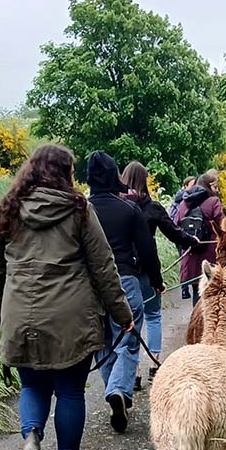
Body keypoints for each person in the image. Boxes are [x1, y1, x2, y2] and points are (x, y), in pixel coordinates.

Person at [0, 144, 133, 450]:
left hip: (20, 312)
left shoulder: (8, 210)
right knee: (69, 391)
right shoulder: (78, 209)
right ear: (66, 173)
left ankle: (31, 437)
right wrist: (122, 313)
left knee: (32, 385)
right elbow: (103, 266)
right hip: (70, 315)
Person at [86, 151, 163, 432]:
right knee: (128, 342)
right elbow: (147, 250)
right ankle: (118, 389)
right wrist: (156, 280)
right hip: (126, 281)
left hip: (90, 287)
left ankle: (114, 392)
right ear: (113, 178)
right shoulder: (129, 210)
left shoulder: (81, 210)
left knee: (103, 343)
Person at [120, 161, 199, 387]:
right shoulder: (152, 208)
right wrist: (192, 241)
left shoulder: (118, 206)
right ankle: (155, 362)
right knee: (153, 315)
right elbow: (173, 233)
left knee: (130, 320)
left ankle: (132, 371)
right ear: (144, 181)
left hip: (122, 270)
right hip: (146, 269)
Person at [173, 170, 224, 305]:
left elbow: (176, 225)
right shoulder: (213, 202)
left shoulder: (184, 203)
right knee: (211, 292)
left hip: (190, 254)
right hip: (210, 254)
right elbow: (223, 226)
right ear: (208, 186)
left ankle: (197, 321)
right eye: (214, 187)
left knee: (197, 291)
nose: (216, 190)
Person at [168, 176, 197, 298]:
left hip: (181, 232)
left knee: (184, 260)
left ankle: (185, 288)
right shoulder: (184, 200)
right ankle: (186, 287)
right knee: (185, 259)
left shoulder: (178, 199)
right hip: (182, 233)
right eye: (192, 185)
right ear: (185, 186)